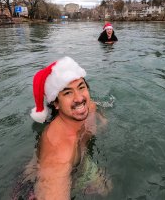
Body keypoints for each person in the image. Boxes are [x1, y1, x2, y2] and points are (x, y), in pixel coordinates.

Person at [24, 56, 111, 199]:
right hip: (49, 180)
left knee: (106, 187)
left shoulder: (88, 106)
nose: (79, 98)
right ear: (56, 103)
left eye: (81, 87)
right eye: (68, 93)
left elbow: (92, 104)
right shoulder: (60, 153)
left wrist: (103, 119)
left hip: (82, 161)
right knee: (106, 188)